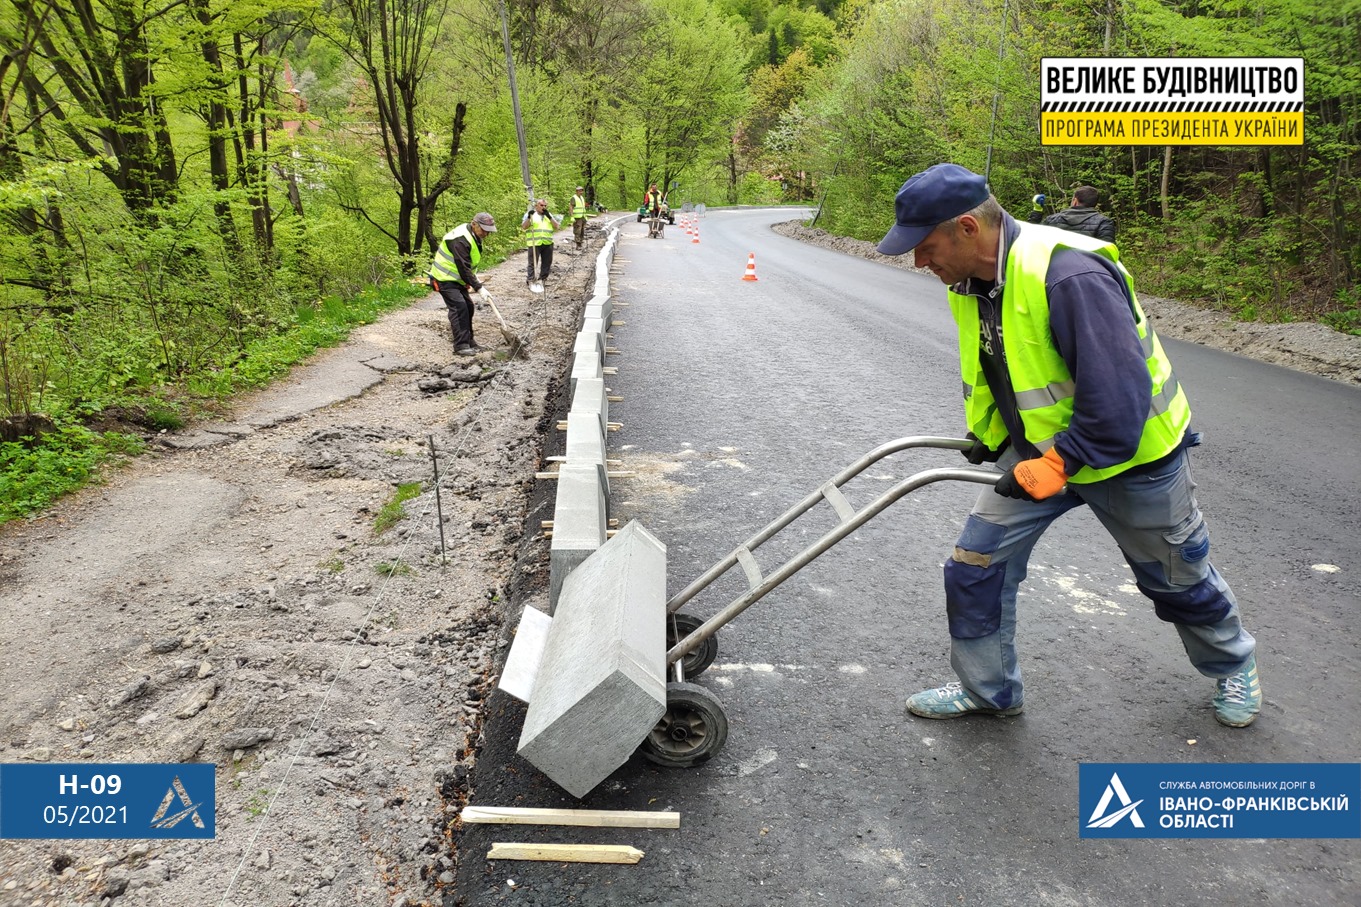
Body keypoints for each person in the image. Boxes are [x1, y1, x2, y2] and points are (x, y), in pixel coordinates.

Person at [875, 163, 1261, 728]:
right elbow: (1003, 365)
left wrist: (1059, 463)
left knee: (1175, 579)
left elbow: (1120, 400)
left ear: (966, 228)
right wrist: (994, 438)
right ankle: (990, 691)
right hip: (1038, 452)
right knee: (975, 566)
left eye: (926, 246)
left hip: (1134, 460)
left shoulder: (1067, 275)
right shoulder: (970, 280)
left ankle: (1234, 664)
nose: (919, 262)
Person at [429, 211, 496, 356]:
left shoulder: (473, 235)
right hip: (444, 278)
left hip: (457, 278)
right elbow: (463, 267)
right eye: (484, 230)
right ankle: (461, 346)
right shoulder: (460, 240)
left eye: (489, 231)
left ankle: (469, 341)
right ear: (474, 224)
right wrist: (479, 287)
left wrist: (474, 280)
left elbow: (467, 266)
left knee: (469, 307)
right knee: (459, 308)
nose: (487, 234)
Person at [1042, 185, 1116, 241]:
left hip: (1056, 261)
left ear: (1075, 201)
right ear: (1095, 204)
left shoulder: (1051, 219)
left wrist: (1037, 211)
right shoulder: (1103, 222)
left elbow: (1035, 240)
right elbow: (1108, 253)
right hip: (1087, 261)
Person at [520, 198, 562, 286]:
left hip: (547, 242)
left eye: (545, 205)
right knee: (532, 262)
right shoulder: (531, 214)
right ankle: (531, 279)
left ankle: (542, 278)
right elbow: (524, 227)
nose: (544, 207)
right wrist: (528, 217)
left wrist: (550, 217)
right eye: (541, 205)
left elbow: (557, 226)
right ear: (536, 206)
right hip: (535, 242)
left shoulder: (548, 215)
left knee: (547, 262)